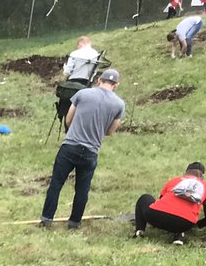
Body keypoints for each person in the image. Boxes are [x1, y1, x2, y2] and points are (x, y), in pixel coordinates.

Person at [40, 68, 125, 230]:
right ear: (116, 85)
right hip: (91, 151)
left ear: (99, 80)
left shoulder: (82, 94)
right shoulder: (119, 104)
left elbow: (68, 119)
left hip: (70, 146)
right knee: (82, 189)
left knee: (56, 183)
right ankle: (74, 223)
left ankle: (46, 219)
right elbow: (111, 131)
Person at [134, 162, 206, 245]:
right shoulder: (204, 185)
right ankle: (179, 236)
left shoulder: (175, 180)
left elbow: (161, 198)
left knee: (145, 197)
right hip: (184, 223)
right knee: (183, 214)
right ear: (202, 176)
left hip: (155, 216)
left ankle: (139, 231)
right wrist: (198, 225)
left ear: (186, 172)